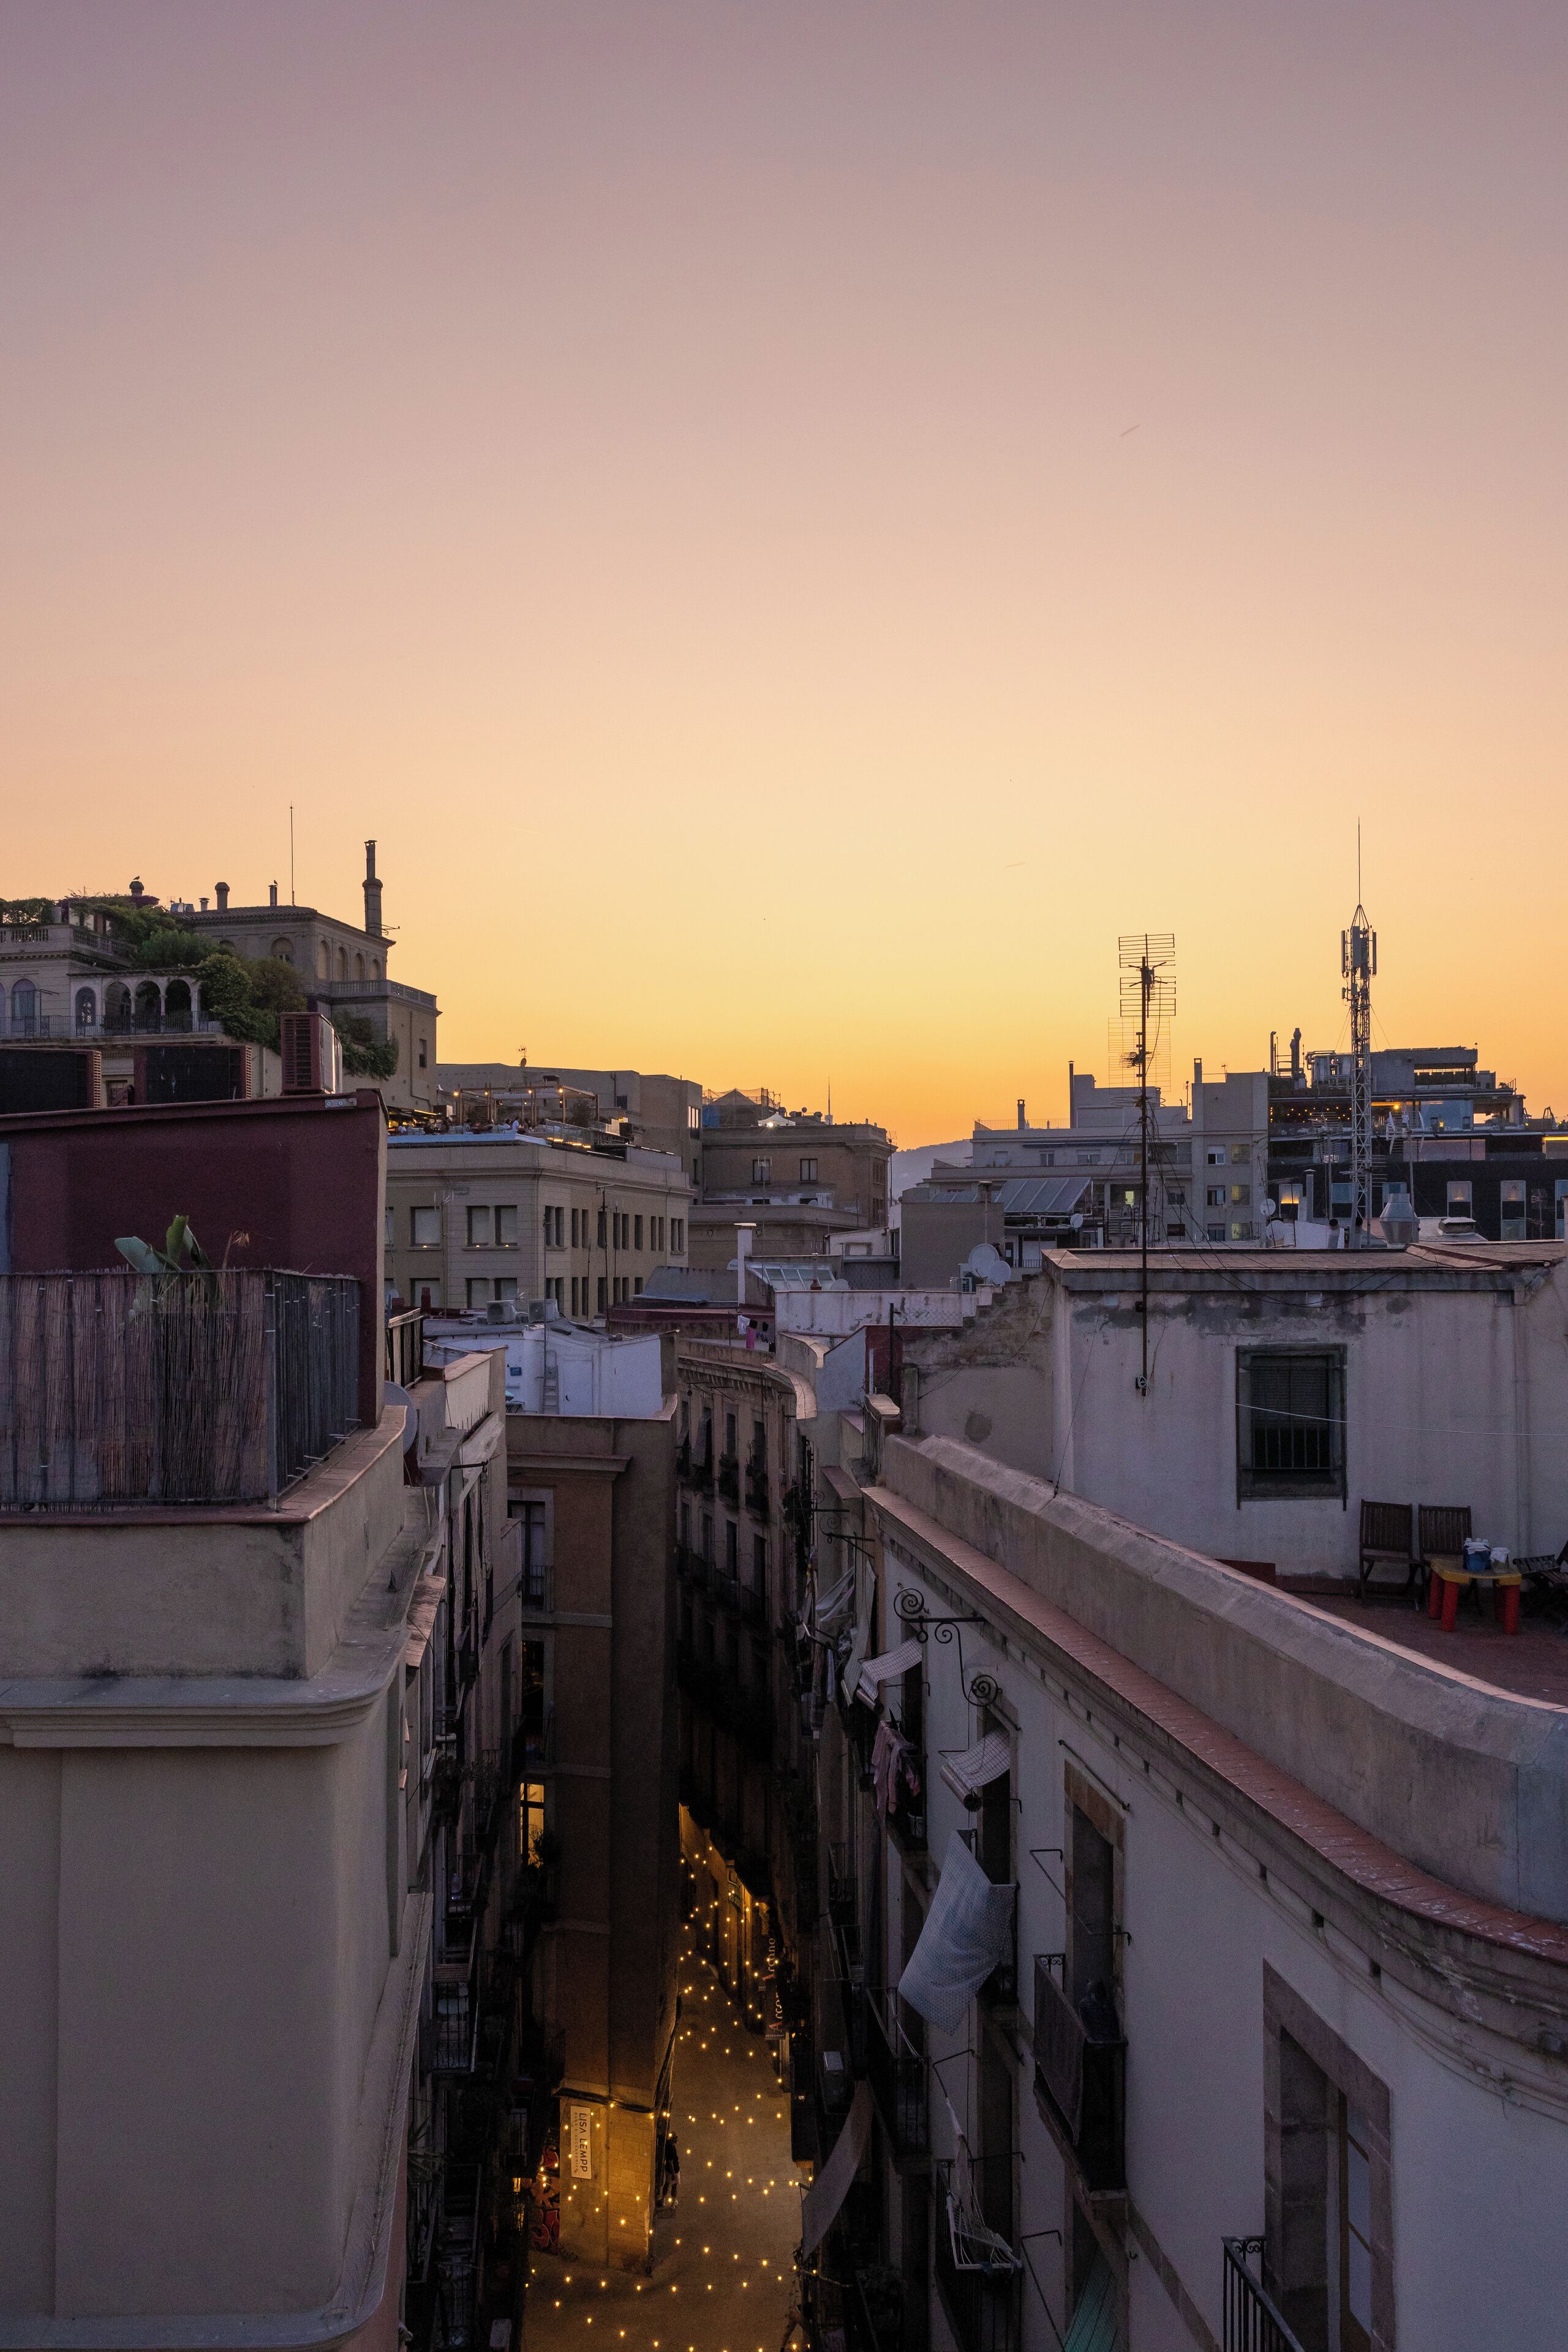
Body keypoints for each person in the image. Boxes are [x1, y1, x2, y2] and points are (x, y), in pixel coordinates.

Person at [661, 2132, 679, 2207]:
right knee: (674, 2185)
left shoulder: (669, 2144)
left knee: (667, 2183)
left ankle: (663, 2199)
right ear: (674, 2139)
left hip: (669, 2169)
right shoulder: (671, 2148)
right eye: (676, 2138)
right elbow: (670, 2162)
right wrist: (674, 2174)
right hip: (673, 2169)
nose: (677, 2139)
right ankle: (673, 2202)